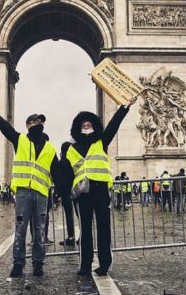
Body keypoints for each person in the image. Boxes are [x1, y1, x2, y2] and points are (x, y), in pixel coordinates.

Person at [0, 97, 55, 278]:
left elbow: (58, 171)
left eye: (41, 121)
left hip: (42, 193)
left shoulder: (50, 148)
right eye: (35, 121)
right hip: (24, 193)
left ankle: (38, 264)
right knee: (21, 229)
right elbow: (3, 125)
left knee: (40, 231)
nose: (39, 124)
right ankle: (18, 264)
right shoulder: (19, 140)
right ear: (28, 125)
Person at [59, 97, 136, 277]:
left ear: (94, 125)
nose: (86, 126)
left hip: (100, 190)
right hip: (82, 193)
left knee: (103, 229)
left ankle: (104, 264)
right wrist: (66, 193)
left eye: (89, 124)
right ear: (78, 128)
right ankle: (85, 265)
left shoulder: (102, 141)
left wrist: (125, 107)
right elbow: (68, 174)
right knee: (85, 231)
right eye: (83, 125)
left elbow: (114, 124)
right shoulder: (70, 149)